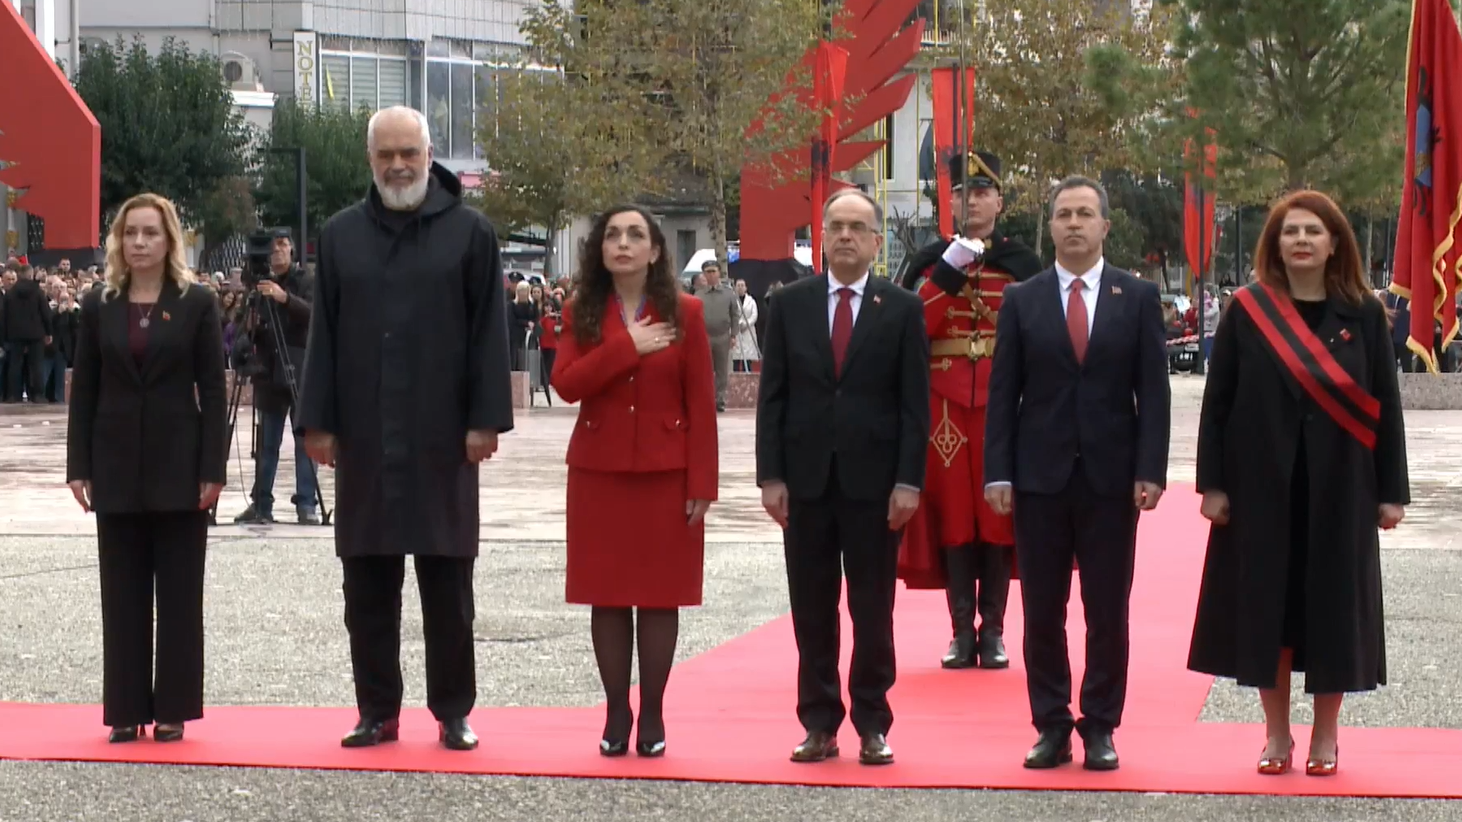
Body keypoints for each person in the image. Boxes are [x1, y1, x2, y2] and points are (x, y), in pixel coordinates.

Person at [296, 106, 515, 752]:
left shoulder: (471, 235)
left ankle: (452, 711)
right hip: (364, 437)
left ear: (428, 155)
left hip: (443, 437)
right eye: (386, 155)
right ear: (372, 161)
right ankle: (377, 711)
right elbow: (324, 337)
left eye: (408, 154)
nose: (398, 166)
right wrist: (318, 422)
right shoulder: (339, 237)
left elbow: (487, 334)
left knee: (448, 586)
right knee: (366, 584)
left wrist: (484, 420)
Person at [1187, 190, 1409, 777]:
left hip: (1341, 490)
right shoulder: (1247, 310)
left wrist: (1392, 492)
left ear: (1335, 241)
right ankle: (1277, 735)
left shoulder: (1364, 312)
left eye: (1314, 231)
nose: (1302, 240)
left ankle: (1327, 737)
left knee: (1333, 612)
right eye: (1291, 231)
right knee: (1270, 612)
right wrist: (1212, 484)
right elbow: (1218, 403)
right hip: (1260, 489)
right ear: (1275, 244)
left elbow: (1386, 405)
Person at [984, 175, 1170, 771]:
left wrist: (1151, 469)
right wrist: (998, 472)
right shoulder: (1023, 299)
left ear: (1104, 226)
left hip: (1112, 480)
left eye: (1085, 214)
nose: (1073, 224)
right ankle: (1051, 725)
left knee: (1107, 610)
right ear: (1051, 225)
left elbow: (1154, 394)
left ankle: (1100, 726)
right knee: (1042, 609)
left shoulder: (1135, 298)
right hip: (1039, 478)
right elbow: (1004, 393)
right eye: (1063, 214)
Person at [755, 188, 930, 766]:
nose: (846, 236)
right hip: (805, 483)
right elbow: (772, 397)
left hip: (876, 486)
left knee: (872, 608)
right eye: (836, 226)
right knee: (812, 608)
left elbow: (914, 406)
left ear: (877, 241)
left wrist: (910, 480)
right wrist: (770, 475)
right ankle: (820, 722)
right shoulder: (790, 304)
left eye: (858, 226)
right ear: (821, 238)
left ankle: (873, 722)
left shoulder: (901, 309)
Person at [550, 205, 718, 758]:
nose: (623, 243)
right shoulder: (582, 310)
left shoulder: (687, 313)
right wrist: (627, 347)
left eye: (636, 235)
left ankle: (653, 711)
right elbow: (567, 385)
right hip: (598, 473)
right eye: (613, 235)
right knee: (608, 595)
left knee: (660, 596)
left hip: (666, 475)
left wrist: (703, 485)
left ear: (655, 251)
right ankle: (616, 709)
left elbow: (700, 404)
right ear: (600, 249)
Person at [65, 192, 227, 743]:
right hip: (114, 467)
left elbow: (213, 388)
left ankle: (175, 708)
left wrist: (214, 468)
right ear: (118, 241)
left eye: (150, 233)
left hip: (180, 467)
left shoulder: (196, 303)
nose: (139, 242)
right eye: (130, 233)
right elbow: (83, 389)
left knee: (180, 595)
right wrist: (78, 466)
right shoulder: (98, 305)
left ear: (169, 240)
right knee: (122, 593)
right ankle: (126, 709)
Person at [895, 150, 1042, 670]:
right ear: (946, 200)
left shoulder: (1023, 262)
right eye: (960, 192)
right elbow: (911, 331)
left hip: (1004, 403)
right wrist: (950, 273)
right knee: (956, 515)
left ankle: (995, 631)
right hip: (944, 408)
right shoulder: (928, 261)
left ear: (999, 201)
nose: (971, 201)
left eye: (981, 192)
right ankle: (961, 631)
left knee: (997, 516)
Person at [232, 228, 318, 525]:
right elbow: (244, 326)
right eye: (273, 246)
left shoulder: (306, 280)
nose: (278, 251)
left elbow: (313, 314)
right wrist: (252, 323)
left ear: (292, 249)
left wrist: (284, 298)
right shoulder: (259, 284)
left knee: (304, 440)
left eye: (283, 245)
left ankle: (307, 503)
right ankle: (261, 503)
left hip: (298, 368)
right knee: (266, 443)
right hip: (268, 370)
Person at [695, 259, 740, 412]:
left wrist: (733, 335)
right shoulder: (698, 294)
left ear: (719, 273)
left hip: (722, 336)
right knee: (705, 369)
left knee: (722, 370)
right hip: (704, 336)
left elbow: (735, 315)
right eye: (708, 272)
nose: (711, 275)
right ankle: (706, 398)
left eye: (713, 271)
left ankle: (719, 400)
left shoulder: (728, 294)